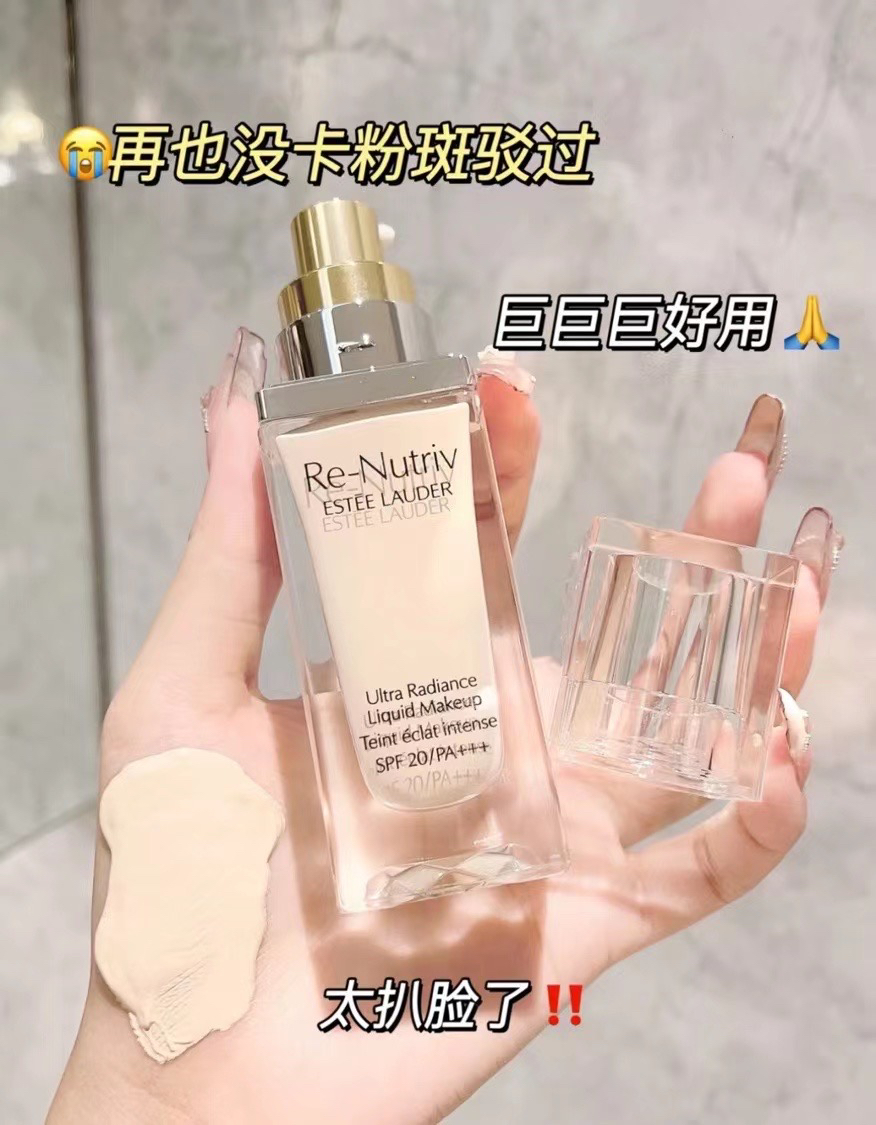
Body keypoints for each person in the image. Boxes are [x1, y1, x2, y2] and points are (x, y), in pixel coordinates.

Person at [49, 330, 834, 1124]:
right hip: (365, 875)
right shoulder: (301, 435)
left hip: (487, 821)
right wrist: (162, 1101)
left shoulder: (429, 409)